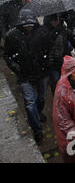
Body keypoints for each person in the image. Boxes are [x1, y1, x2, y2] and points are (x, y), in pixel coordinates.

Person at [3, 9, 47, 144]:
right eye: (26, 24)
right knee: (29, 103)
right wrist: (16, 67)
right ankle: (37, 130)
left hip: (41, 72)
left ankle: (38, 112)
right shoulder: (12, 35)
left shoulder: (42, 32)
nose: (29, 26)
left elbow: (48, 48)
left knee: (41, 97)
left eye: (31, 24)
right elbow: (7, 55)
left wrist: (46, 61)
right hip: (24, 75)